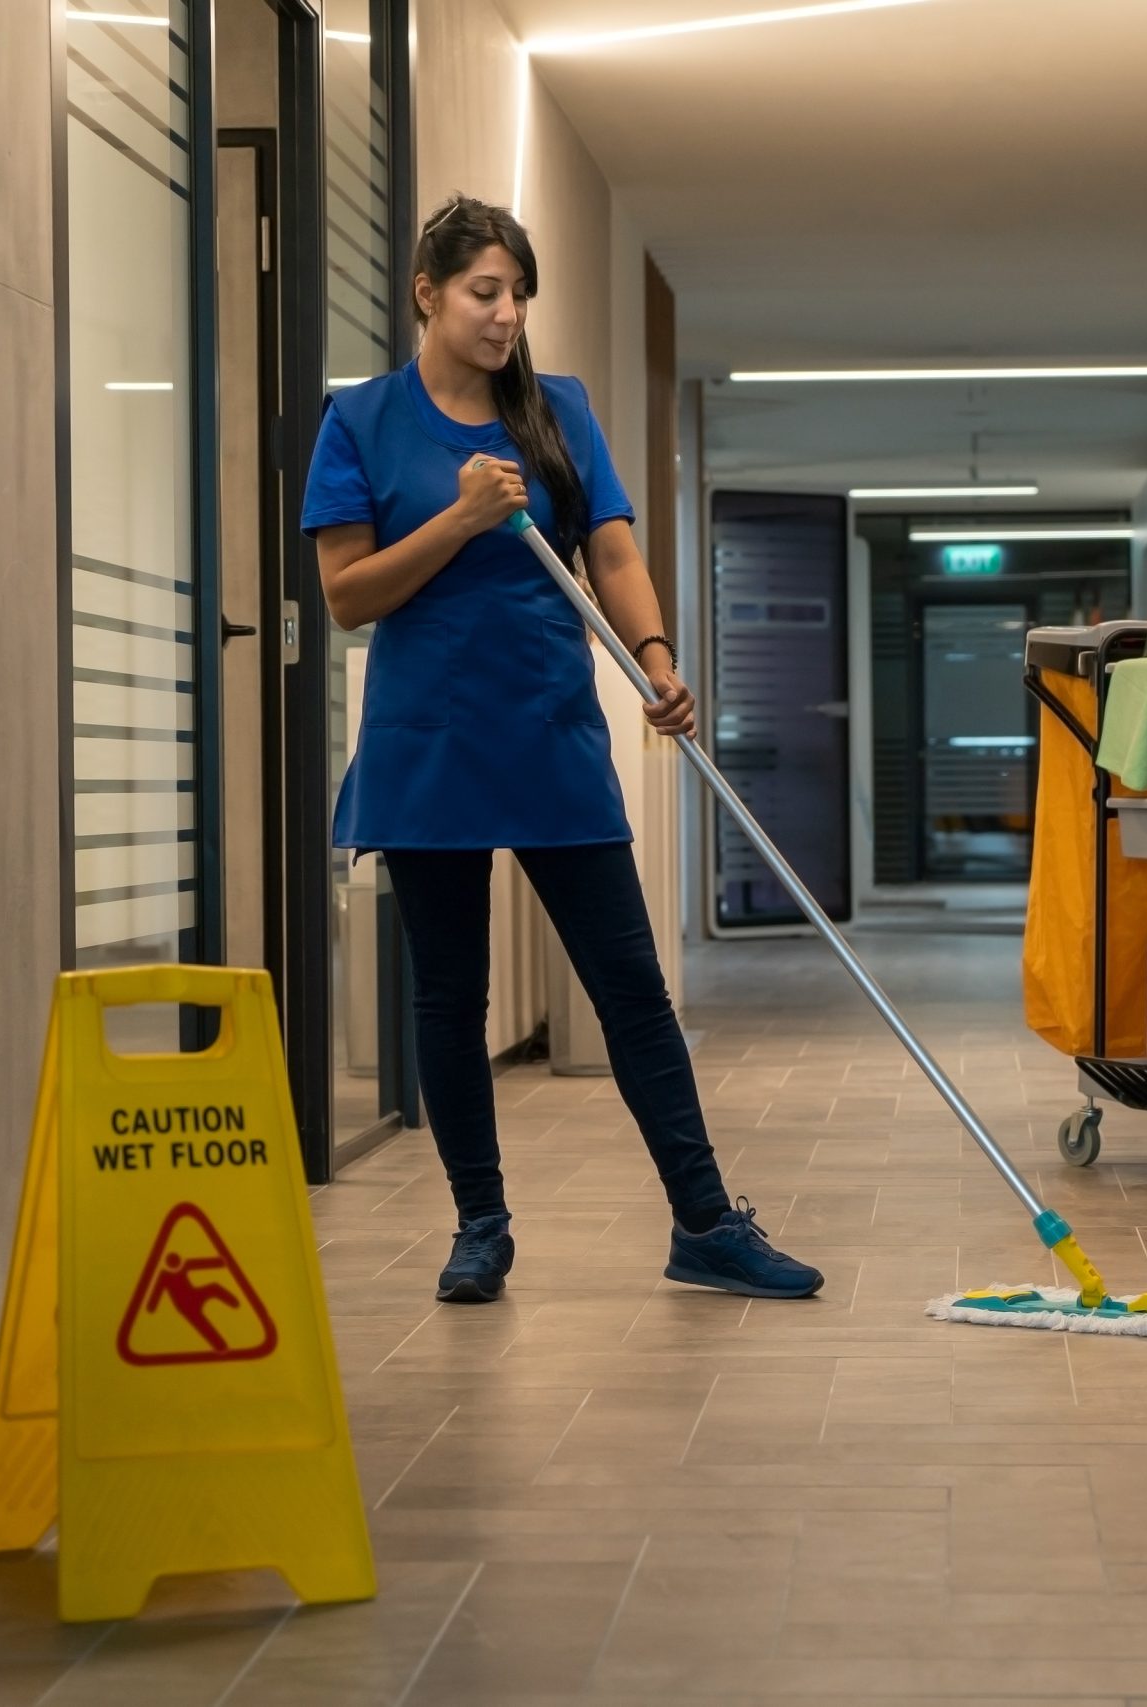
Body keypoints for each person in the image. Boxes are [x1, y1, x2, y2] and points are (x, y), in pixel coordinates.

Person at [303, 194, 823, 1303]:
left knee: (630, 987)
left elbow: (614, 549)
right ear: (428, 294)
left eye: (518, 295)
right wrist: (455, 521)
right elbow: (346, 597)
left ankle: (704, 1222)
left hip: (548, 731)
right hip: (428, 742)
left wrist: (658, 655)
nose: (505, 316)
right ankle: (479, 1226)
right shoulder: (361, 423)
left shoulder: (559, 411)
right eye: (485, 293)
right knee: (448, 999)